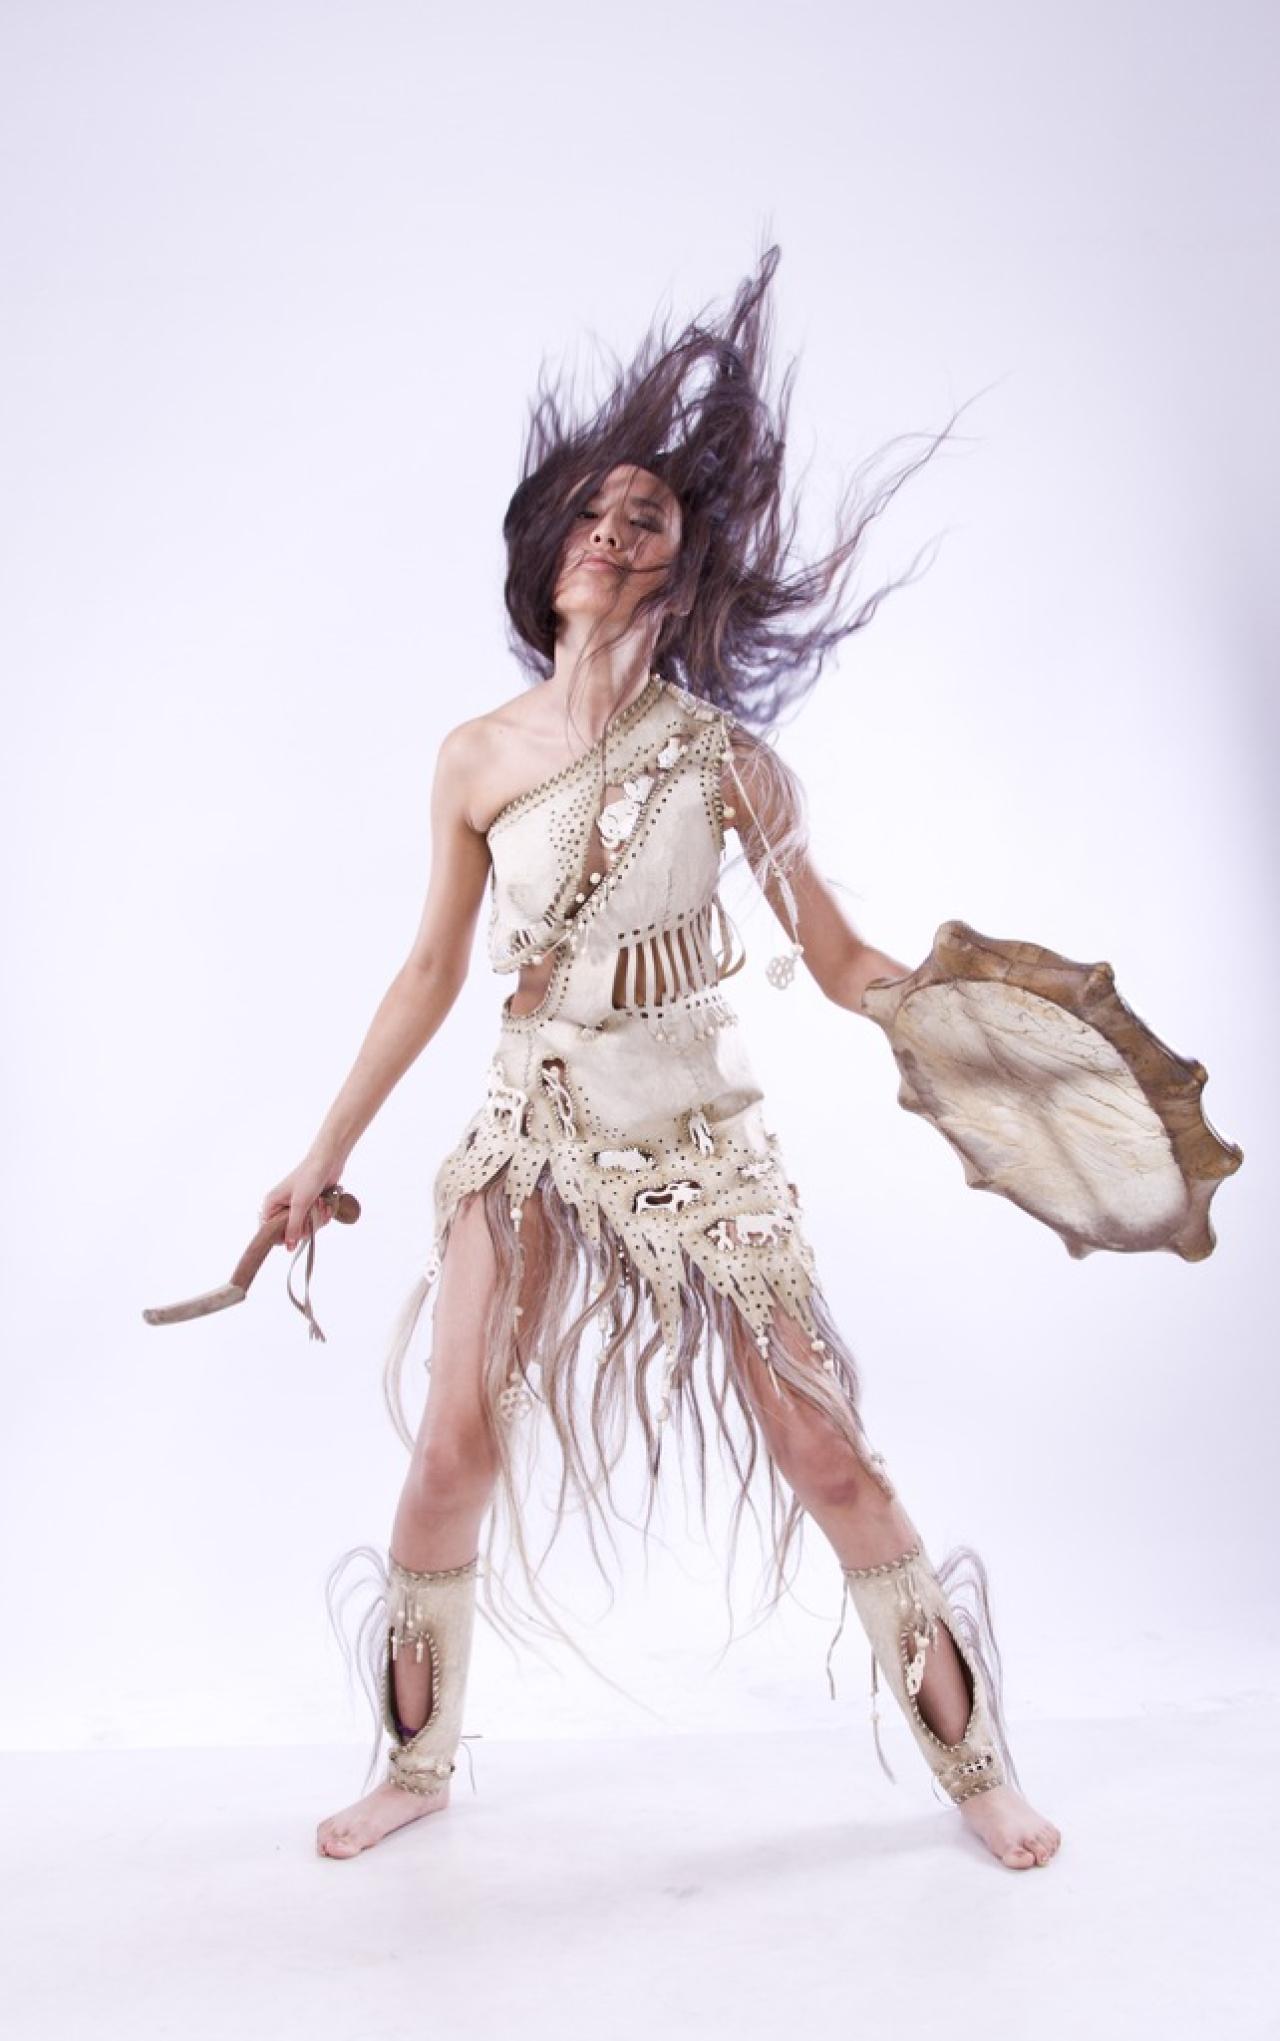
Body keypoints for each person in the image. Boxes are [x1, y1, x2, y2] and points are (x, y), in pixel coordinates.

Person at [261, 246, 1061, 1871]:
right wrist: (320, 1152)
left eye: (649, 519)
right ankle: (415, 1763)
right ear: (548, 551)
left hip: (699, 1136)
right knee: (451, 1443)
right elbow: (429, 971)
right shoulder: (475, 758)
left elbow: (839, 957)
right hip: (531, 1127)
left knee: (826, 1446)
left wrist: (967, 1020)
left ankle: (978, 1766)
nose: (614, 532)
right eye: (593, 512)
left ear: (683, 575)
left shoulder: (731, 764)